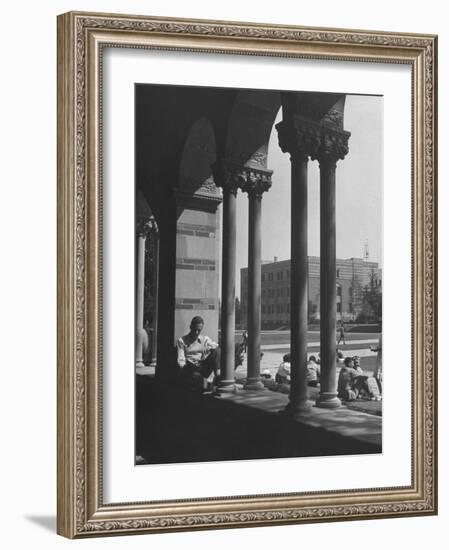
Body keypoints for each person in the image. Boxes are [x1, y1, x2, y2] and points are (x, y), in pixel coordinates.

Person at [176, 316, 220, 393]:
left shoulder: (204, 339)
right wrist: (185, 369)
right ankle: (203, 383)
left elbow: (216, 347)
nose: (196, 332)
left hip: (202, 367)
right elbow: (181, 360)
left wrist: (210, 349)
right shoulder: (181, 341)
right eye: (194, 329)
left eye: (199, 330)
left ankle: (217, 379)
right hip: (190, 369)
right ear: (190, 327)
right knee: (197, 379)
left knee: (217, 351)